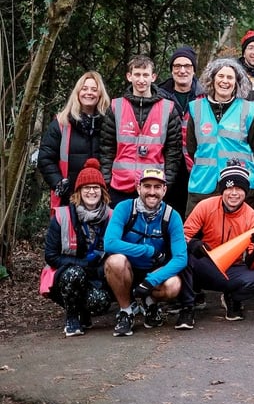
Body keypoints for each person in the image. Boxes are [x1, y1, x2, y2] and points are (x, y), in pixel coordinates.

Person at [177, 162, 254, 328]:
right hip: (206, 264)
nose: (234, 193)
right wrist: (194, 244)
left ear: (246, 192)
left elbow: (253, 265)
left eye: (239, 189)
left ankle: (233, 298)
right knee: (182, 256)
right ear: (222, 190)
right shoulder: (205, 206)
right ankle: (187, 306)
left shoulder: (253, 218)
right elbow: (182, 236)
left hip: (233, 269)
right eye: (229, 188)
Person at [103, 168, 187, 337]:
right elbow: (109, 243)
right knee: (115, 261)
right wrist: (148, 250)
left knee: (174, 285)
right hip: (126, 270)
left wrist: (150, 282)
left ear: (164, 190)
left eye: (157, 187)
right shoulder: (125, 208)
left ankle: (150, 303)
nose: (152, 192)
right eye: (147, 186)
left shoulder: (172, 216)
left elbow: (181, 258)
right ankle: (126, 311)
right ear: (138, 188)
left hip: (153, 273)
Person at [99, 55, 183, 206]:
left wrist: (166, 184)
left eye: (146, 75)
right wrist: (106, 182)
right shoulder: (115, 107)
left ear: (153, 77)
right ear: (129, 76)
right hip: (119, 186)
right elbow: (106, 149)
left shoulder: (168, 109)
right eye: (137, 74)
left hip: (152, 187)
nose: (141, 80)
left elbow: (173, 153)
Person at [43, 158, 113, 337]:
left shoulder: (112, 216)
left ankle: (84, 312)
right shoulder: (62, 216)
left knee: (101, 302)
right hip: (65, 274)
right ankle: (72, 317)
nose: (91, 191)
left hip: (96, 275)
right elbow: (51, 256)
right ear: (79, 192)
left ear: (102, 191)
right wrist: (82, 264)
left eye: (96, 187)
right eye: (86, 187)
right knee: (74, 273)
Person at [184, 58, 254, 215]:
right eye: (220, 76)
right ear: (212, 79)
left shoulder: (248, 109)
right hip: (203, 184)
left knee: (241, 236)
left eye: (230, 77)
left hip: (240, 185)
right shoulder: (196, 108)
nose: (224, 81)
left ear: (237, 82)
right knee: (197, 235)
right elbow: (191, 147)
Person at [38, 71, 111, 209]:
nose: (89, 93)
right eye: (84, 89)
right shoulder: (61, 123)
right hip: (68, 198)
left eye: (94, 89)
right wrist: (59, 183)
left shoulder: (108, 123)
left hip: (101, 198)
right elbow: (45, 158)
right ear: (77, 92)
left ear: (100, 94)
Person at [158, 46, 203, 218]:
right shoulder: (159, 95)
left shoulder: (205, 96)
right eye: (177, 66)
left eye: (187, 66)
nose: (182, 70)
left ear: (193, 69)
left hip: (195, 166)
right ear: (171, 69)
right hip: (166, 164)